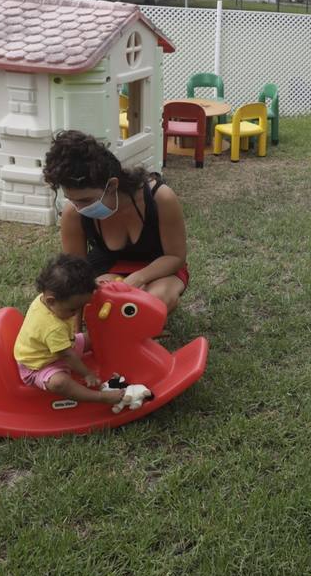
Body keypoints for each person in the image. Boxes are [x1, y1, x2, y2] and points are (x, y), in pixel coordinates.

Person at [42, 130, 189, 312]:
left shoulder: (159, 198)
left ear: (112, 185)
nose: (79, 208)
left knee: (153, 300)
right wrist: (76, 333)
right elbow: (75, 277)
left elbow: (176, 257)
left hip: (160, 269)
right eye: (72, 199)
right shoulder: (73, 214)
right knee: (99, 299)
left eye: (86, 200)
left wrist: (138, 278)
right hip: (108, 270)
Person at [14, 254, 144, 405]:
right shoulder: (52, 328)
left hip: (62, 345)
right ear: (51, 300)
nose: (76, 313)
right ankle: (101, 398)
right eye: (73, 309)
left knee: (96, 337)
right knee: (59, 383)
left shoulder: (50, 299)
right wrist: (87, 374)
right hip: (39, 364)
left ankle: (124, 358)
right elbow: (68, 357)